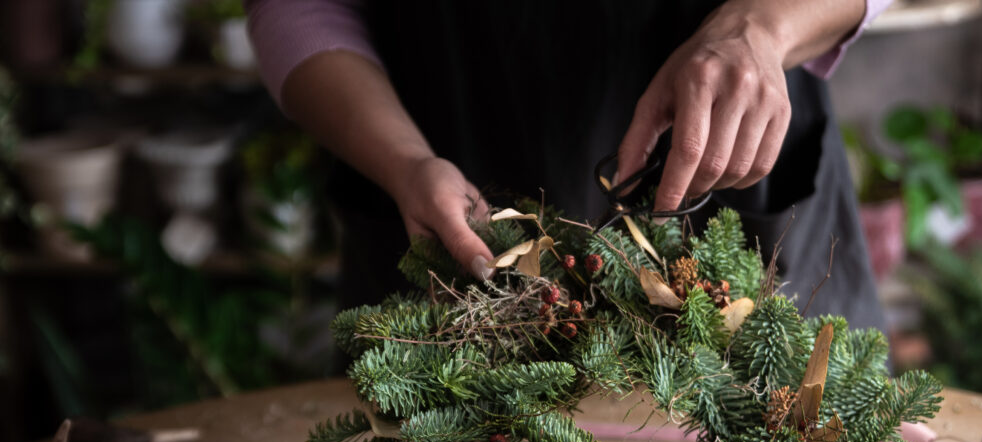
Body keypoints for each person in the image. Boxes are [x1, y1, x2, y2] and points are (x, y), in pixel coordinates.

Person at [245, 0, 891, 332]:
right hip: (438, 196)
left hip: (739, 179)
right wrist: (403, 160)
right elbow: (297, 9)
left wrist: (763, 26)